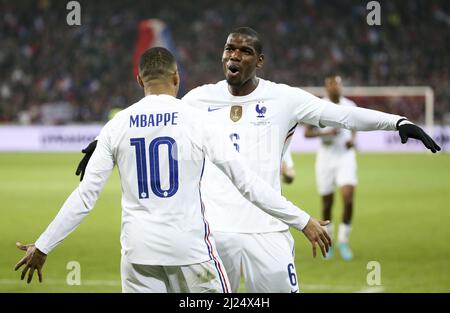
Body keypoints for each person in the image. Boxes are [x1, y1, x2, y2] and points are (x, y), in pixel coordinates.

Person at [75, 27, 440, 293]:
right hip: (214, 236)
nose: (234, 56)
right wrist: (98, 142)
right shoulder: (199, 98)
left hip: (268, 231)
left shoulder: (285, 99)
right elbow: (147, 117)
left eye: (244, 51)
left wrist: (397, 122)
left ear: (259, 61)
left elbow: (341, 116)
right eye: (229, 49)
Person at [14, 47, 331, 293]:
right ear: (177, 78)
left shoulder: (116, 125)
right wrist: (302, 221)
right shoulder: (197, 119)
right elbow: (246, 182)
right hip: (190, 253)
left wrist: (43, 246)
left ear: (139, 80)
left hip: (137, 255)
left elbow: (85, 197)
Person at [304, 75, 357, 260]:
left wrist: (352, 140)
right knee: (327, 203)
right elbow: (307, 133)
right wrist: (326, 132)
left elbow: (356, 127)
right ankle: (330, 240)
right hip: (326, 157)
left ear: (341, 87)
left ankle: (343, 241)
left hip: (345, 156)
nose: (335, 88)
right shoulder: (318, 106)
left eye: (337, 85)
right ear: (326, 88)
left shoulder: (350, 106)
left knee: (348, 198)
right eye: (331, 85)